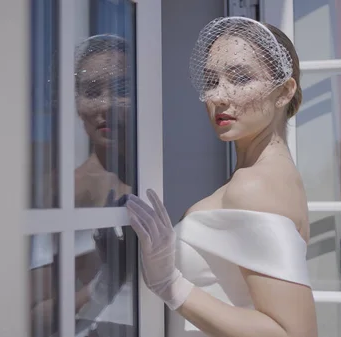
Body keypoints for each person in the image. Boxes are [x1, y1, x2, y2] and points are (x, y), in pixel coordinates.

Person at [125, 17, 318, 337]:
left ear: (284, 92)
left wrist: (170, 285)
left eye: (240, 78)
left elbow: (293, 333)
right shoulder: (271, 177)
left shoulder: (254, 186)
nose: (218, 96)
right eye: (211, 81)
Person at [29, 34, 136, 337]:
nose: (106, 104)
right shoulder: (62, 192)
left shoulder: (162, 177)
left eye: (122, 89)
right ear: (77, 104)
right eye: (92, 92)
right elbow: (33, 316)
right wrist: (102, 285)